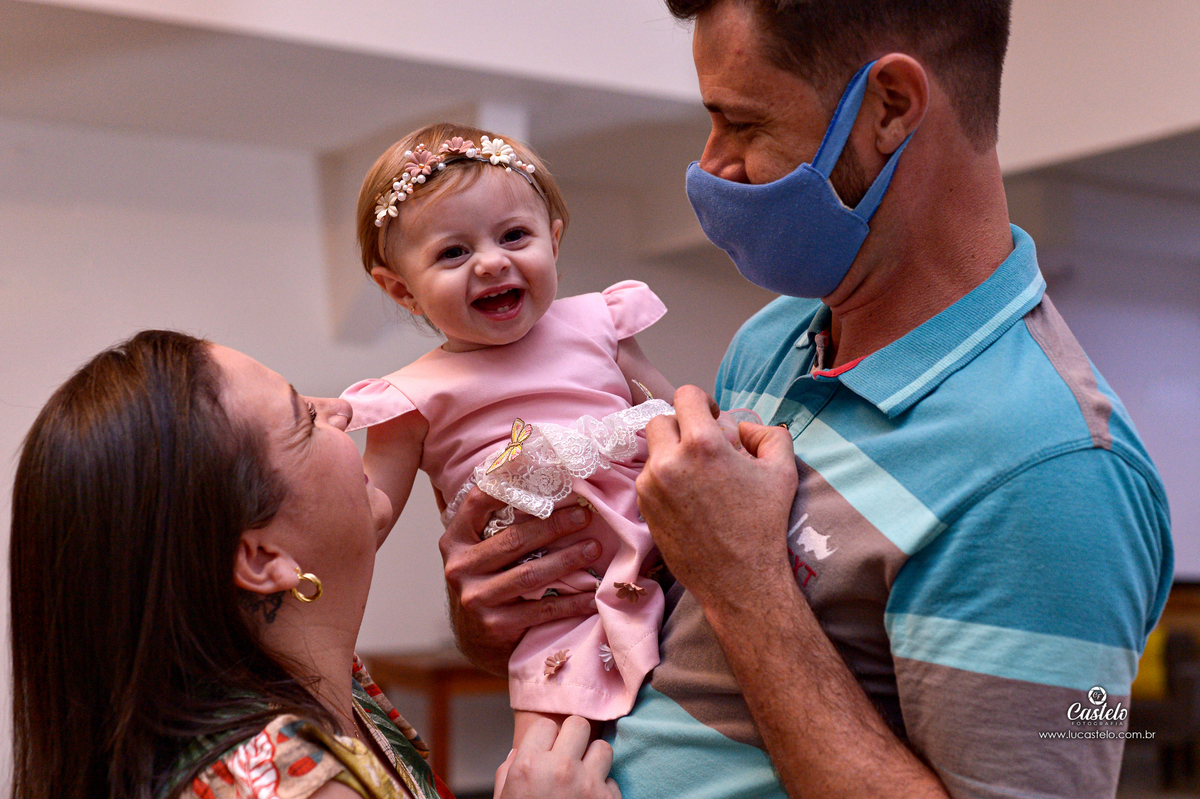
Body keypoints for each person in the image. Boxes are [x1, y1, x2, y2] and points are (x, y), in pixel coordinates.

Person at [437, 1, 1174, 798]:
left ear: (889, 107)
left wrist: (745, 581)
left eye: (742, 123)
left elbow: (731, 589)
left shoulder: (1057, 470)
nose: (712, 164)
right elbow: (676, 647)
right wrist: (507, 616)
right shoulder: (775, 338)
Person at [9, 329, 620, 799]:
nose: (342, 410)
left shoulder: (320, 688)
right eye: (305, 419)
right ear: (261, 558)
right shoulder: (283, 781)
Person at [340, 121, 759, 749]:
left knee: (718, 680)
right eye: (453, 252)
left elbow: (673, 411)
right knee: (554, 736)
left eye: (514, 236)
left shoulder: (597, 323)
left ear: (553, 241)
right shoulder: (408, 398)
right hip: (549, 581)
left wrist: (731, 444)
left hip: (664, 539)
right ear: (401, 289)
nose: (492, 261)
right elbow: (366, 515)